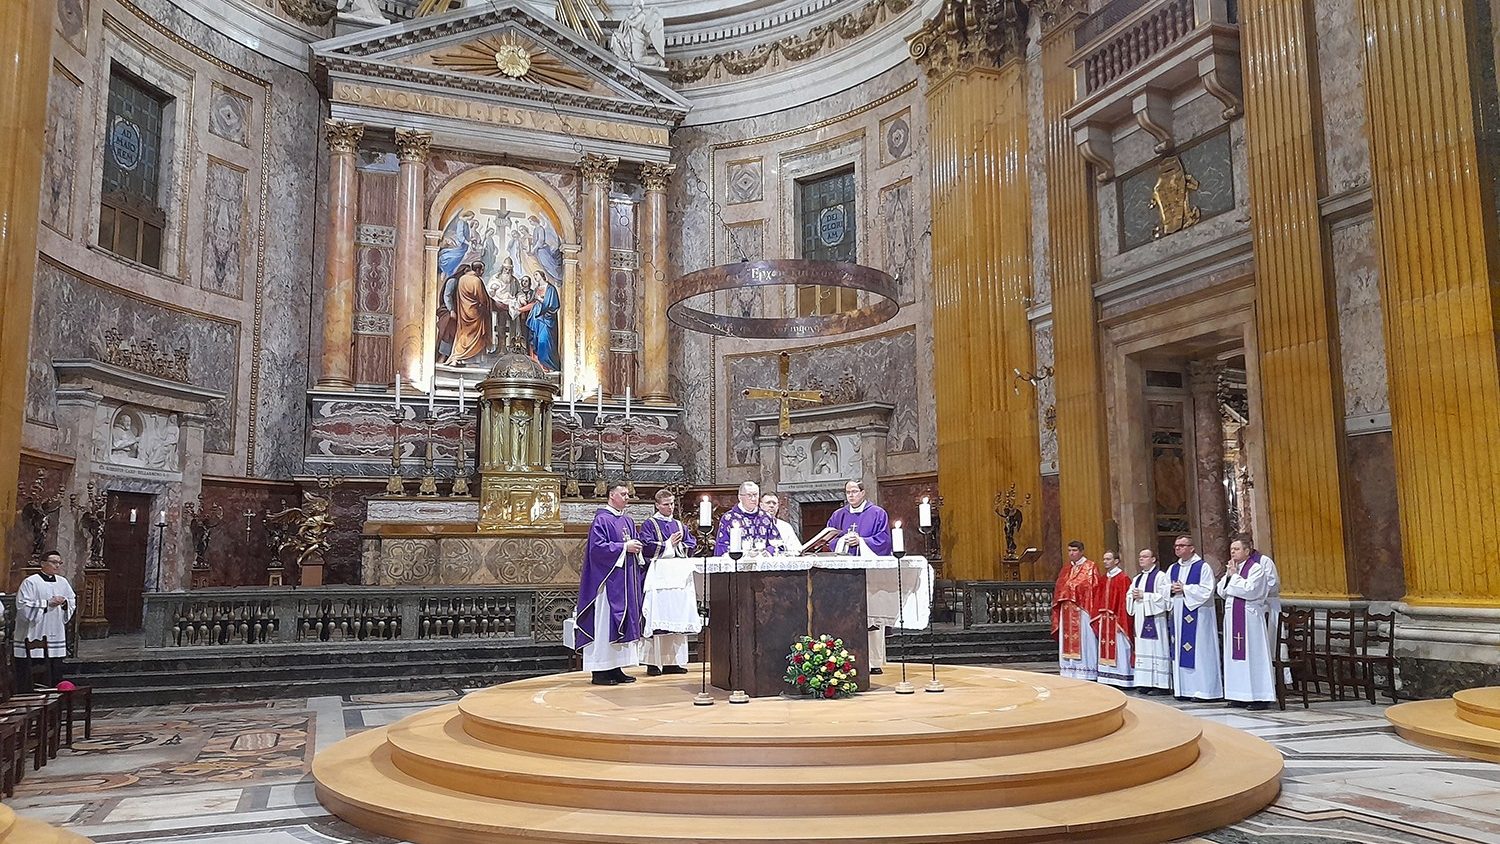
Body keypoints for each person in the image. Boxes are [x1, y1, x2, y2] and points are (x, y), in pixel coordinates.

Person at [575, 482, 645, 686]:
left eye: (627, 494)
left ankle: (616, 667)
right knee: (605, 623)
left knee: (620, 624)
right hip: (607, 584)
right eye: (623, 494)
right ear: (611, 495)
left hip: (624, 582)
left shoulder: (628, 521)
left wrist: (636, 547)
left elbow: (634, 542)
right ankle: (599, 670)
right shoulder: (601, 520)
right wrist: (625, 546)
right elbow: (597, 550)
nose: (627, 497)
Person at [826, 480, 893, 673]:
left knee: (871, 617)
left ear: (863, 492)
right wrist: (843, 541)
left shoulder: (877, 513)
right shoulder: (838, 515)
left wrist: (861, 541)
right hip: (844, 575)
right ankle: (845, 661)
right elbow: (827, 539)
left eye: (854, 491)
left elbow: (883, 541)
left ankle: (874, 662)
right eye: (848, 492)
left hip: (870, 574)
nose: (851, 495)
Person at [638, 489, 699, 676]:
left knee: (676, 616)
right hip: (659, 578)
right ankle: (653, 663)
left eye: (672, 503)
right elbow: (646, 546)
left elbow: (692, 544)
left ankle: (674, 661)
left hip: (677, 579)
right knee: (658, 617)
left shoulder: (680, 525)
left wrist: (678, 545)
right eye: (666, 504)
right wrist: (668, 544)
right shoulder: (650, 524)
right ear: (657, 505)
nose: (670, 507)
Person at [1219, 536, 1277, 710]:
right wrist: (1230, 576)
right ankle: (1238, 694)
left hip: (1249, 617)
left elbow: (1250, 591)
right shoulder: (1233, 569)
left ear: (1247, 551)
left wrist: (1234, 578)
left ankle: (1259, 696)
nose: (1233, 552)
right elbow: (1221, 590)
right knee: (1234, 656)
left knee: (1253, 655)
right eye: (1231, 549)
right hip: (1233, 616)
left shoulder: (1256, 569)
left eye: (1236, 549)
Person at [1167, 535, 1223, 701]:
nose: (1178, 548)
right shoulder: (1173, 568)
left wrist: (1185, 589)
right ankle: (1184, 689)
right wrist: (1171, 589)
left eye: (1182, 545)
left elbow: (1207, 590)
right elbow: (1164, 589)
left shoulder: (1203, 567)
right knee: (1181, 649)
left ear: (1192, 548)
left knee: (1201, 651)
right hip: (1178, 614)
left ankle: (1205, 691)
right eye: (1176, 546)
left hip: (1199, 616)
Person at [14, 551, 75, 691]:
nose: (57, 566)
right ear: (42, 563)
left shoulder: (63, 582)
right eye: (53, 562)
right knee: (30, 676)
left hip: (55, 631)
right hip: (35, 633)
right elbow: (23, 606)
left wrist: (65, 603)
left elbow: (72, 601)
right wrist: (47, 603)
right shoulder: (31, 582)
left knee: (55, 672)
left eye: (59, 563)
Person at [1052, 540, 1102, 681]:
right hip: (1066, 610)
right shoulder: (1066, 569)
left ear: (1081, 551)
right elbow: (1060, 587)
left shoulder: (1090, 567)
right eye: (1069, 551)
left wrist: (1074, 592)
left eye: (1074, 550)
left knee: (1085, 640)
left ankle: (1086, 670)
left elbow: (1093, 589)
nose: (1071, 554)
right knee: (1066, 640)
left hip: (1083, 611)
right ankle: (1069, 669)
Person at [1127, 548, 1173, 695]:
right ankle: (1145, 682)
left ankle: (1161, 685)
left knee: (1156, 648)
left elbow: (1166, 599)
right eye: (1140, 556)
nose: (1141, 559)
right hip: (1140, 617)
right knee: (1143, 648)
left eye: (1145, 556)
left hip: (1155, 619)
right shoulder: (1137, 578)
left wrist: (1145, 596)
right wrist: (1132, 597)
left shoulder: (1161, 576)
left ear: (1153, 559)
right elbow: (1129, 595)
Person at [1092, 550, 1134, 689]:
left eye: (1108, 559)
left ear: (1116, 561)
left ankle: (1123, 678)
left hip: (1116, 621)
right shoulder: (1103, 579)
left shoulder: (1123, 578)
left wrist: (1121, 621)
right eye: (1104, 559)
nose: (1105, 562)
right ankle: (1107, 676)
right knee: (1105, 647)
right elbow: (1098, 599)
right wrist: (1097, 617)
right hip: (1104, 620)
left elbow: (1124, 602)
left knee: (1120, 649)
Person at [446, 261, 494, 365]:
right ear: (477, 269)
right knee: (475, 336)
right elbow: (482, 299)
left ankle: (458, 357)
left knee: (464, 334)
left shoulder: (462, 279)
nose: (482, 272)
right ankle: (470, 358)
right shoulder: (476, 281)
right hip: (475, 313)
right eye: (482, 270)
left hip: (464, 311)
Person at [713, 481, 779, 556]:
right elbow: (722, 545)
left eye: (755, 495)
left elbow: (776, 541)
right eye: (749, 495)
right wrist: (743, 553)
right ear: (740, 497)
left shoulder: (766, 517)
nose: (753, 499)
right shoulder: (729, 518)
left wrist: (768, 551)